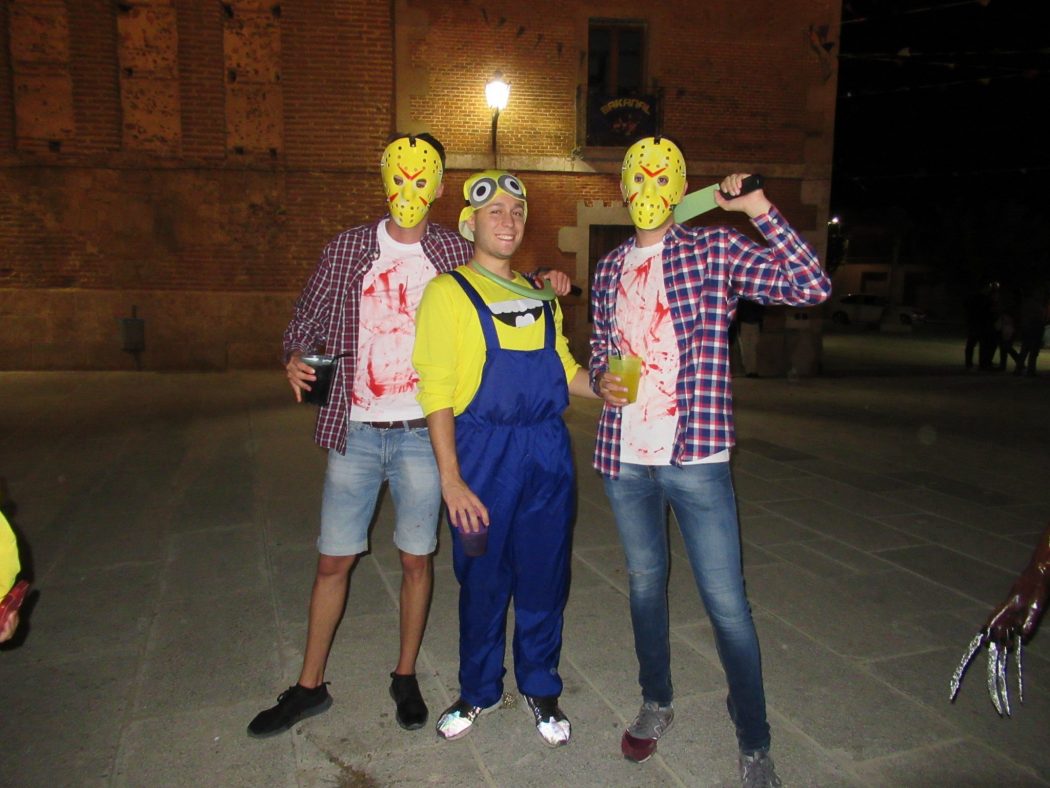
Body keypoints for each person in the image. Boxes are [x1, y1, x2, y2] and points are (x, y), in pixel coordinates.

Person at [590, 136, 831, 786]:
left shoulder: (713, 248)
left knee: (727, 606)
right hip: (624, 458)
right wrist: (602, 377)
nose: (647, 189)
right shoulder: (609, 267)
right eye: (637, 178)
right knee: (644, 585)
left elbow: (810, 286)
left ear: (678, 186)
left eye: (660, 177)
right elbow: (601, 348)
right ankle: (657, 701)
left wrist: (757, 208)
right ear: (623, 187)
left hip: (695, 456)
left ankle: (754, 740)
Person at [250, 133, 474, 738]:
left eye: (422, 178)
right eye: (399, 176)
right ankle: (309, 685)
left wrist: (545, 280)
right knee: (333, 559)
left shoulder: (455, 250)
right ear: (384, 178)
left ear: (439, 186)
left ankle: (405, 674)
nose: (409, 189)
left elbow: (498, 293)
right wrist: (295, 355)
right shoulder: (347, 248)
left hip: (424, 433)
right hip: (356, 429)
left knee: (416, 558)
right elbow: (306, 318)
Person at [413, 170, 597, 747]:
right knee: (483, 579)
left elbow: (564, 370)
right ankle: (479, 690)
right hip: (482, 454)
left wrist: (607, 386)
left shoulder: (541, 296)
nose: (508, 220)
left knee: (545, 575)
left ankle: (541, 687)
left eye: (516, 211)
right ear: (470, 225)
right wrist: (452, 480)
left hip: (546, 452)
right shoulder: (447, 292)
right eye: (494, 211)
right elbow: (435, 391)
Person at [1014, 287, 1046, 377]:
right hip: (1034, 329)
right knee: (1032, 351)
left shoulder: (1027, 304)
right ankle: (1030, 370)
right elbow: (1038, 317)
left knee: (1025, 350)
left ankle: (1019, 369)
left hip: (1028, 328)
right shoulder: (1035, 305)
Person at [736, 299, 765, 378]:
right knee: (752, 349)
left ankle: (749, 370)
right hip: (753, 323)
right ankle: (752, 370)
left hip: (745, 323)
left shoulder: (742, 300)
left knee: (747, 349)